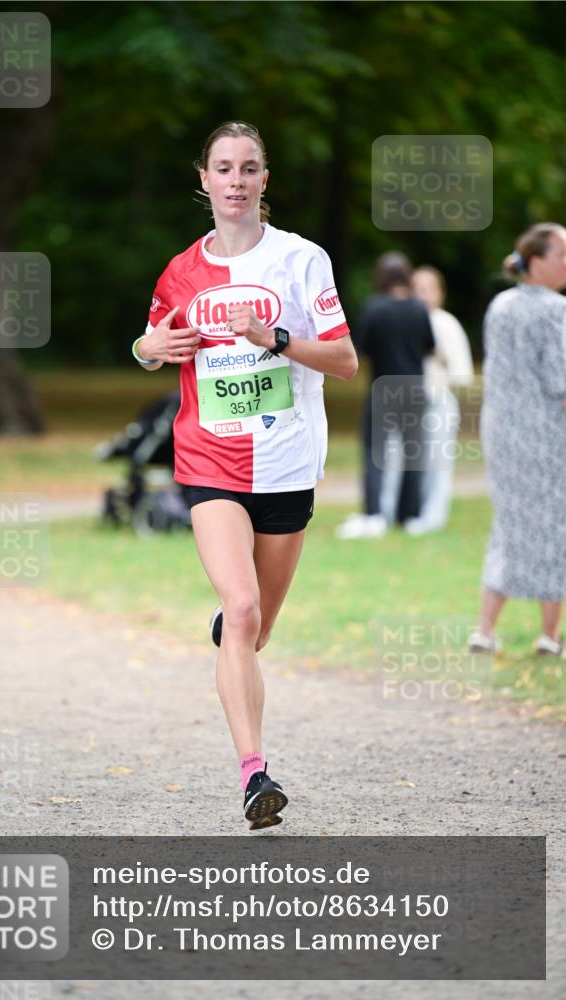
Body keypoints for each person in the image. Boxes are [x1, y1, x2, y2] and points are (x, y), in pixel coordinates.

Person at [132, 121, 358, 828]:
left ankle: (234, 629)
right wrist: (148, 346)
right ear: (203, 179)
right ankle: (255, 775)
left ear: (265, 179)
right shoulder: (180, 271)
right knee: (245, 608)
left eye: (248, 168)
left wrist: (277, 339)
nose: (235, 180)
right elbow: (150, 342)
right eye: (222, 168)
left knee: (254, 631)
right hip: (207, 459)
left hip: (287, 464)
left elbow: (346, 360)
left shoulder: (301, 260)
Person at [469, 223, 566, 657]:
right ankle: (550, 635)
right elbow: (560, 381)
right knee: (555, 524)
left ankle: (485, 629)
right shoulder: (555, 310)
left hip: (502, 430)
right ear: (538, 260)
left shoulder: (500, 305)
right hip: (546, 432)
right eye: (561, 254)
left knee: (509, 525)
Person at [336, 252, 434, 539]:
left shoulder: (374, 308)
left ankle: (374, 514)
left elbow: (361, 350)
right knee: (412, 452)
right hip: (416, 388)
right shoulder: (419, 308)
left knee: (374, 453)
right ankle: (410, 515)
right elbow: (430, 347)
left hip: (383, 388)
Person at [401, 265, 475, 535]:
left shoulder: (446, 324)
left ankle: (433, 517)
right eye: (416, 288)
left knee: (436, 461)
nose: (422, 295)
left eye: (427, 289)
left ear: (439, 293)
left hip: (438, 402)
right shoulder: (405, 321)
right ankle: (411, 512)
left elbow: (462, 372)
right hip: (408, 403)